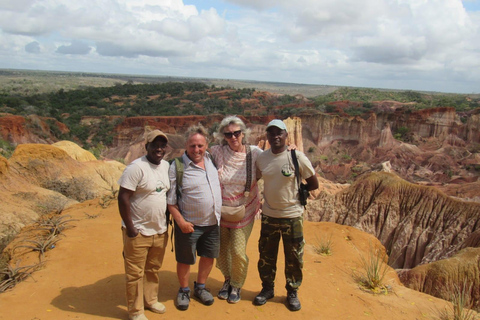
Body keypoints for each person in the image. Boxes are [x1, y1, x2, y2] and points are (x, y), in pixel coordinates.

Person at [254, 119, 319, 311]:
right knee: (266, 255)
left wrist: (302, 192)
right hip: (269, 215)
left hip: (292, 216)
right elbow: (256, 177)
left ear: (286, 135)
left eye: (279, 133)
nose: (275, 137)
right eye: (271, 133)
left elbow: (314, 183)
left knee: (294, 257)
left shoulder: (297, 157)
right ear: (267, 136)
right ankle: (267, 289)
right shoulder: (262, 158)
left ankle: (292, 292)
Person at [167, 124, 222, 311]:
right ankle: (183, 290)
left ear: (206, 145)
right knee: (185, 259)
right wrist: (180, 222)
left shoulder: (212, 160)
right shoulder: (177, 166)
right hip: (189, 223)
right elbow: (171, 201)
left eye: (200, 145)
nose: (196, 149)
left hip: (213, 222)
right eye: (192, 146)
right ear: (186, 145)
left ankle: (200, 287)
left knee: (208, 256)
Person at [118, 129, 170, 320]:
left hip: (159, 231)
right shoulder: (135, 168)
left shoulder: (165, 166)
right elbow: (123, 198)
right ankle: (136, 311)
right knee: (135, 274)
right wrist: (131, 229)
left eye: (162, 145)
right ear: (146, 146)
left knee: (152, 270)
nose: (158, 148)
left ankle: (150, 300)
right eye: (154, 145)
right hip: (138, 231)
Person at [209, 116, 262, 304]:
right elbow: (196, 155)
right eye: (229, 134)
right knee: (223, 250)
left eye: (237, 133)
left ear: (243, 134)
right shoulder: (217, 152)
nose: (233, 137)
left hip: (244, 212)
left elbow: (272, 161)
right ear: (223, 136)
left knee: (238, 251)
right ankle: (228, 280)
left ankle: (237, 284)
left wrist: (291, 151)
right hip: (221, 212)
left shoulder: (254, 153)